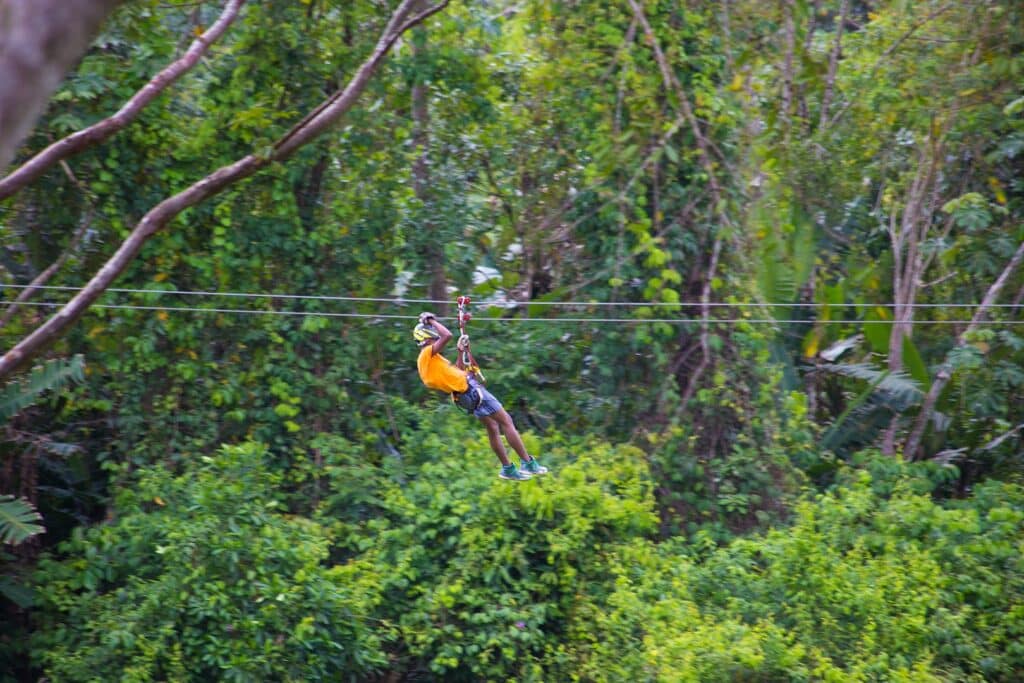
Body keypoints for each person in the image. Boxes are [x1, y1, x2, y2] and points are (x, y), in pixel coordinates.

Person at [413, 311, 548, 481]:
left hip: (465, 397)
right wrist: (431, 320)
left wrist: (460, 350)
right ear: (426, 337)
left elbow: (458, 372)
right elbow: (447, 335)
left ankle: (507, 468)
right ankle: (527, 462)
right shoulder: (426, 355)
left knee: (492, 427)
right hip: (471, 392)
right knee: (506, 421)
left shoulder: (433, 360)